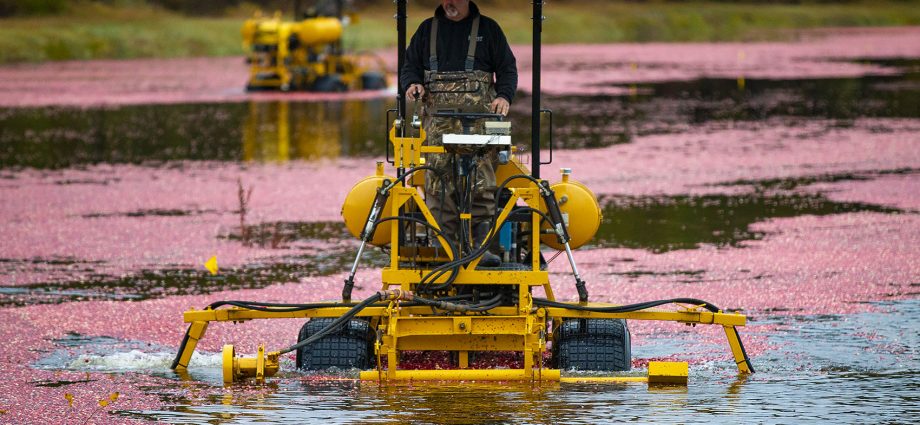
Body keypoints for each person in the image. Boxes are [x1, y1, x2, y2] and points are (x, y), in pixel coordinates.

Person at [400, 0, 518, 265]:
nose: (449, 2)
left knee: (482, 187)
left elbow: (508, 69)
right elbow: (409, 67)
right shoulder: (426, 30)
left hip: (481, 127)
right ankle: (445, 252)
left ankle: (480, 250)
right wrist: (412, 84)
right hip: (437, 130)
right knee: (439, 188)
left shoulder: (489, 29)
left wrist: (504, 96)